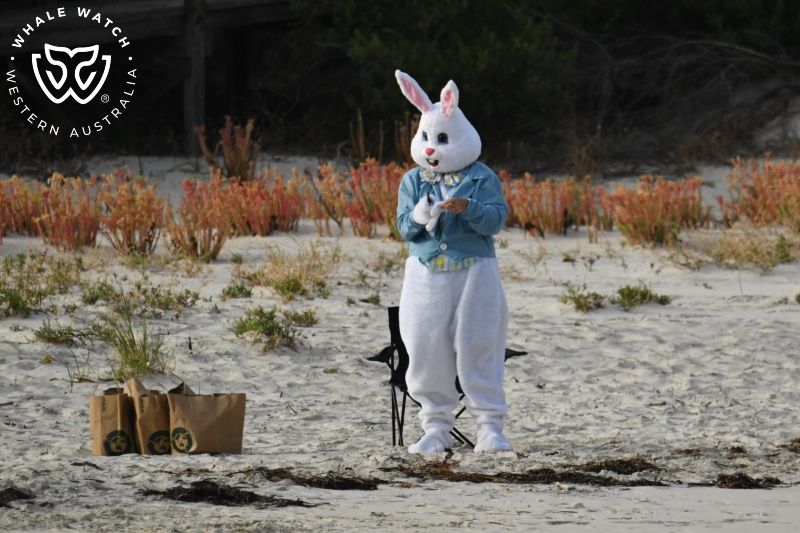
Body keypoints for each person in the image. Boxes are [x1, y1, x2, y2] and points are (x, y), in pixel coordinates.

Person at [394, 70, 512, 454]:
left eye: (441, 139)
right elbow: (403, 226)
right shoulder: (413, 180)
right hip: (426, 274)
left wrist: (469, 208)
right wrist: (419, 217)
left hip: (473, 271)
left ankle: (489, 426)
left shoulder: (481, 178)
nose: (431, 148)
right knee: (426, 344)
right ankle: (435, 426)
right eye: (427, 138)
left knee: (478, 341)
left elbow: (496, 218)